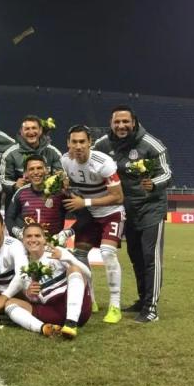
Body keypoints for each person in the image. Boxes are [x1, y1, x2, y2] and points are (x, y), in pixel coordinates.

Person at [94, 105, 172, 323]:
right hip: (125, 210)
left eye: (125, 121)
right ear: (111, 124)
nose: (121, 126)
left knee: (150, 258)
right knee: (135, 257)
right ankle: (142, 299)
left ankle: (151, 308)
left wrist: (153, 183)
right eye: (117, 122)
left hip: (150, 208)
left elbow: (167, 173)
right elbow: (89, 161)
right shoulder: (102, 145)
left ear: (134, 122)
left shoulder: (151, 144)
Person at [61, 125, 125, 324]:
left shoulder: (103, 163)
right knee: (79, 255)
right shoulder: (65, 161)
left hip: (111, 213)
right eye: (74, 142)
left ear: (90, 142)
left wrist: (85, 202)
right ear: (68, 143)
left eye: (82, 141)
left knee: (107, 253)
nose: (78, 146)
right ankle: (90, 300)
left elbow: (118, 196)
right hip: (89, 216)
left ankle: (115, 306)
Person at [11, 222, 93, 338]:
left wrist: (66, 258)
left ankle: (71, 323)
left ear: (44, 239)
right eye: (29, 236)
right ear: (23, 240)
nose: (33, 239)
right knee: (10, 303)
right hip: (52, 311)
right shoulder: (23, 263)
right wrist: (30, 294)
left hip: (76, 309)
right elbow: (35, 300)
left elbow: (88, 274)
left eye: (37, 236)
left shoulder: (55, 251)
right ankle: (44, 328)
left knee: (74, 269)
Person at [5, 155, 70, 239]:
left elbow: (81, 215)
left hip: (54, 243)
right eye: (31, 169)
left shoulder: (60, 192)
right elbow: (9, 218)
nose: (36, 172)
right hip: (28, 243)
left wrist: (66, 234)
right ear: (25, 173)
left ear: (46, 170)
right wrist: (18, 232)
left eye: (39, 168)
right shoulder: (21, 192)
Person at [0, 115, 63, 195]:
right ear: (21, 132)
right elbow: (3, 181)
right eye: (27, 129)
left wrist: (55, 181)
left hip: (47, 197)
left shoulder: (53, 152)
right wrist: (14, 185)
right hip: (21, 198)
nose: (31, 132)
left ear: (40, 130)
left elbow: (60, 177)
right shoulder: (10, 154)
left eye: (34, 128)